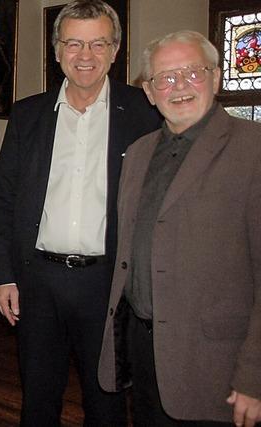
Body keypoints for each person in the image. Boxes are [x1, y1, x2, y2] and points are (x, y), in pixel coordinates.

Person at [0, 1, 161, 425]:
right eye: (74, 43)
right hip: (38, 283)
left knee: (106, 404)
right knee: (38, 400)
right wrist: (3, 276)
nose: (86, 55)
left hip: (109, 285)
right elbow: (5, 201)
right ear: (57, 50)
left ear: (115, 50)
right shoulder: (28, 115)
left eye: (98, 43)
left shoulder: (144, 113)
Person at [98, 30, 261, 427]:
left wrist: (254, 376)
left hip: (215, 365)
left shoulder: (253, 149)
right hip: (143, 350)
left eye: (192, 72)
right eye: (165, 78)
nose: (180, 86)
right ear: (150, 93)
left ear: (217, 77)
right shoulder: (137, 154)